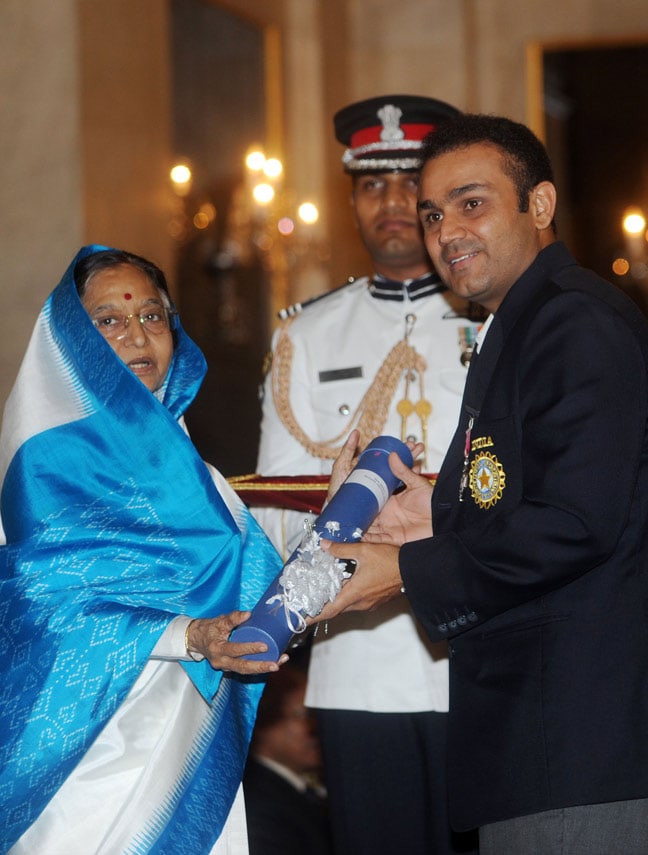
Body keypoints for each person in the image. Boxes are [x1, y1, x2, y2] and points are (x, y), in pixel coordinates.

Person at [315, 113, 648, 853]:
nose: (446, 230)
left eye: (472, 202)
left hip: (583, 744)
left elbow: (575, 523)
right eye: (434, 213)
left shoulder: (573, 324)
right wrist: (438, 518)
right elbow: (540, 500)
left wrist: (404, 568)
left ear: (541, 206)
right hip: (548, 746)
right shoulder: (526, 324)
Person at [0, 246, 286, 854]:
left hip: (183, 729)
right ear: (72, 342)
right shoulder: (46, 466)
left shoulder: (191, 470)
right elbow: (45, 608)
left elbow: (253, 579)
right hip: (83, 760)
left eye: (153, 317)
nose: (137, 335)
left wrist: (345, 516)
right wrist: (192, 637)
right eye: (109, 320)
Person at [254, 94, 481, 854]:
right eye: (369, 184)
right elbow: (277, 509)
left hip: (481, 655)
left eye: (406, 183)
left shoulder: (499, 321)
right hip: (358, 666)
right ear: (350, 197)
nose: (389, 203)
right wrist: (346, 508)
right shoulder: (307, 335)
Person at [243, 660, 332, 855]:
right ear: (264, 723)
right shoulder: (260, 808)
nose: (315, 726)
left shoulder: (298, 789)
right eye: (305, 714)